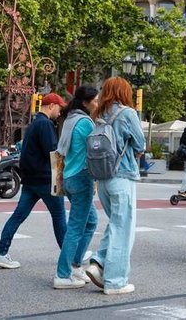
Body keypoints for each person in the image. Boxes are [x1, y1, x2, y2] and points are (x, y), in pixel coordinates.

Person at [0, 93, 68, 270]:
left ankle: (0, 252)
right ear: (51, 105)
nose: (60, 112)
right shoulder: (45, 124)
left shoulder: (33, 124)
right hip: (45, 179)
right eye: (59, 108)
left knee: (18, 216)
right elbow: (52, 152)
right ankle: (70, 255)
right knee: (59, 216)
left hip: (30, 180)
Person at [84, 77, 145, 295]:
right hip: (122, 175)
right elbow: (140, 143)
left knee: (116, 224)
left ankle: (98, 263)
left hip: (103, 178)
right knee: (123, 229)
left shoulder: (98, 114)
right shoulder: (127, 113)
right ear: (124, 92)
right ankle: (116, 281)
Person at [53, 85, 100, 289]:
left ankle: (75, 265)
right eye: (95, 100)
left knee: (90, 222)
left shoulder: (69, 120)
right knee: (75, 228)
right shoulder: (85, 122)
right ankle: (62, 275)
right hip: (81, 177)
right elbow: (96, 149)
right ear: (85, 102)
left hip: (69, 177)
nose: (97, 104)